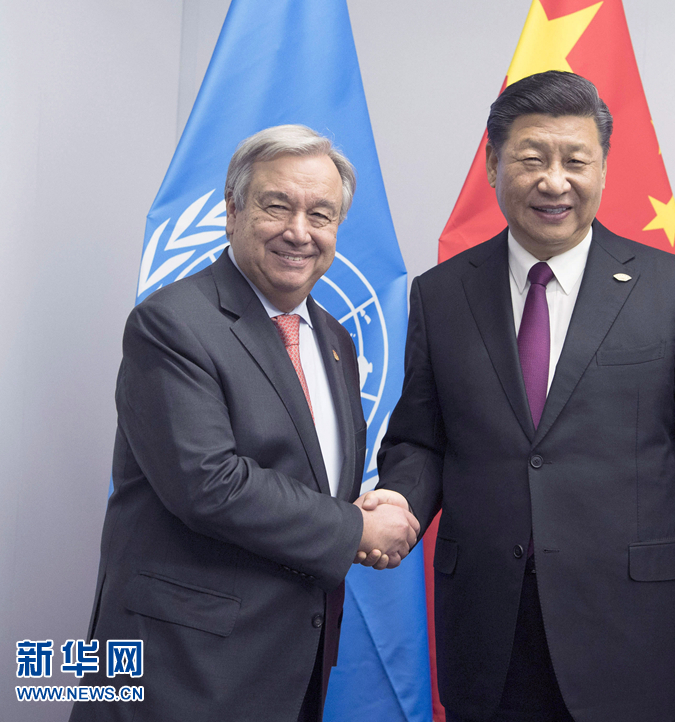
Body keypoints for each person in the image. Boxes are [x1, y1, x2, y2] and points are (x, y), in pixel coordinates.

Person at [362, 71, 675, 722]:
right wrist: (400, 501)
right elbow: (422, 440)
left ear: (602, 168)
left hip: (632, 630)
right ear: (494, 165)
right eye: (532, 159)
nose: (554, 181)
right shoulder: (441, 294)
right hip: (487, 629)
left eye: (576, 160)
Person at [70, 124, 419, 722]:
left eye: (321, 214)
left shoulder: (335, 339)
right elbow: (209, 483)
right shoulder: (172, 324)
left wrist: (359, 507)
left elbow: (302, 481)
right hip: (180, 674)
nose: (299, 232)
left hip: (289, 670)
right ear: (232, 212)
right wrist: (356, 529)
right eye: (276, 206)